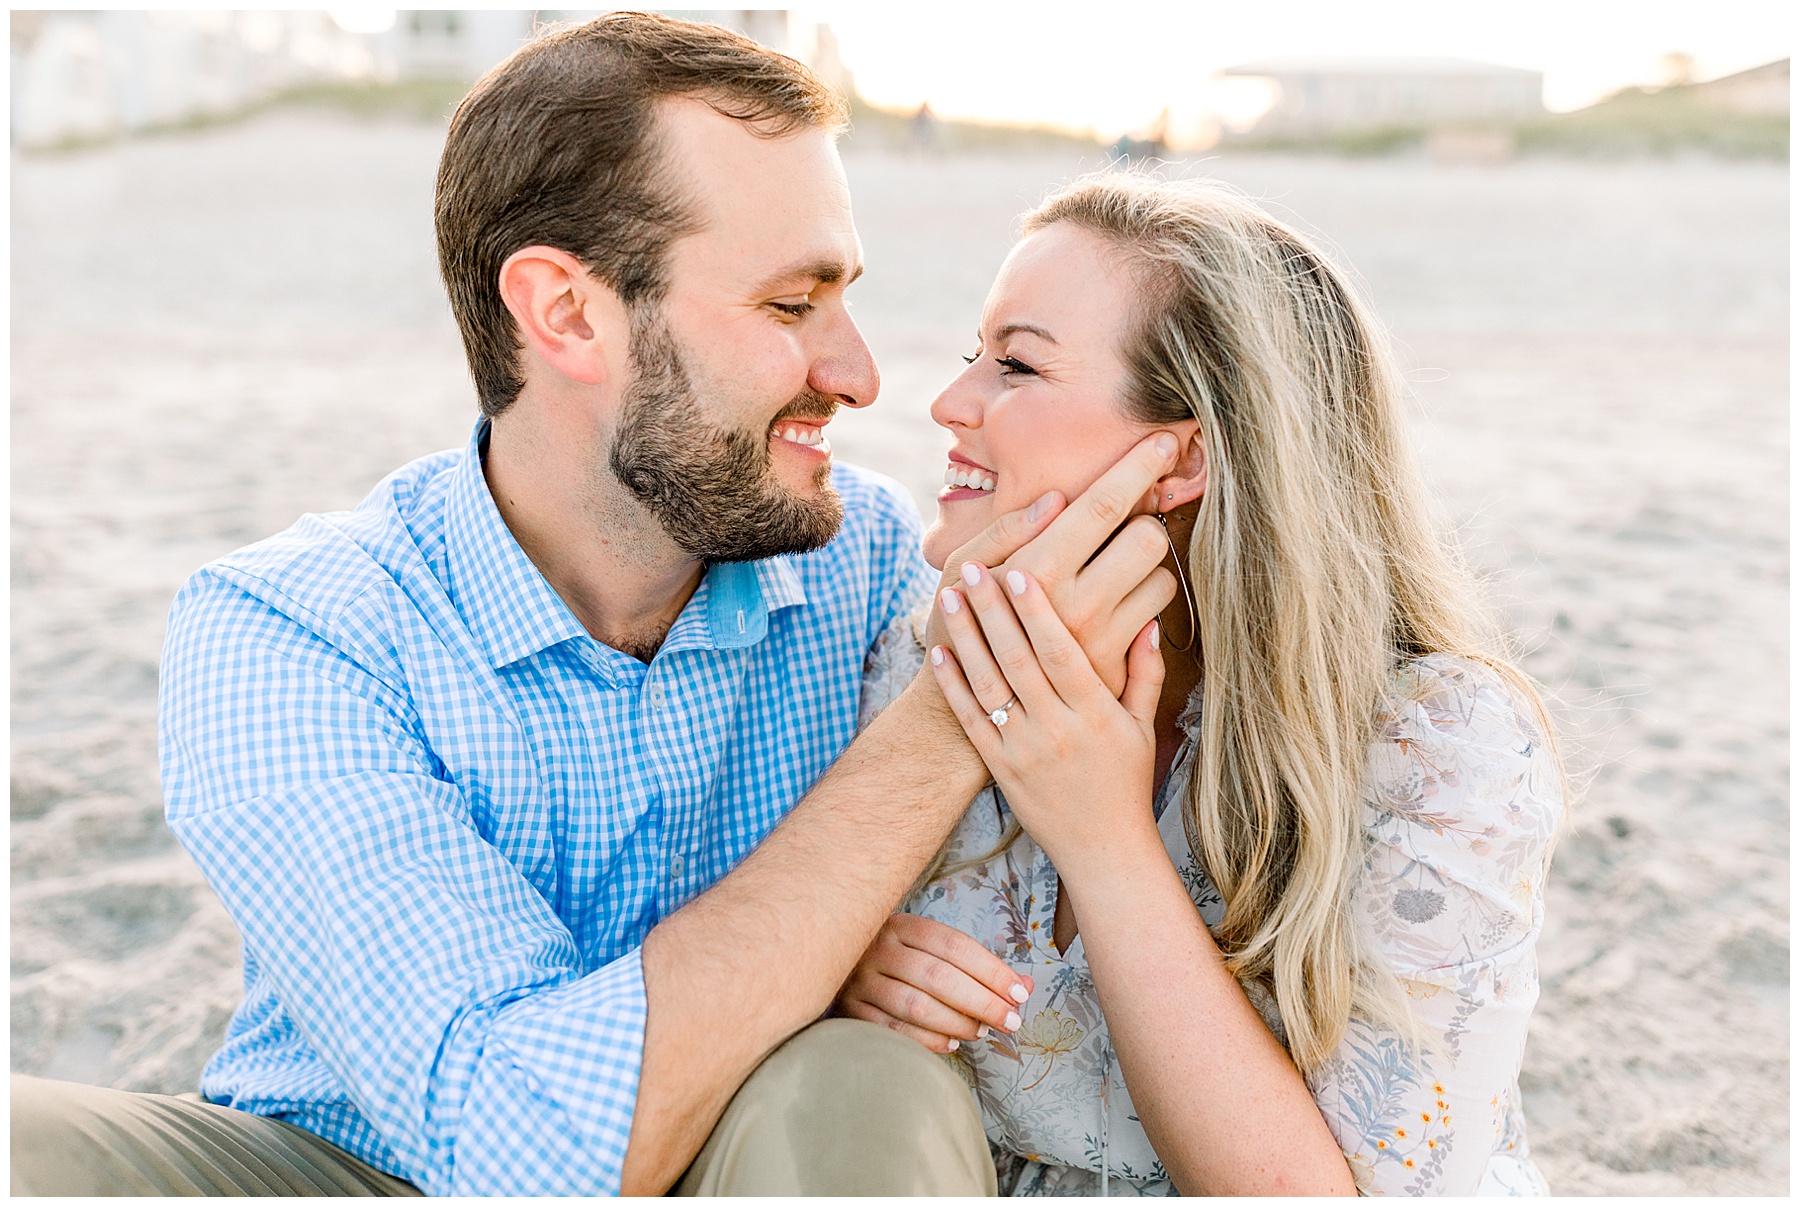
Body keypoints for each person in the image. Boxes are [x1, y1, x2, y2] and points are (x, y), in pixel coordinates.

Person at [8, 16, 1184, 1197]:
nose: (860, 375)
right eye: (791, 306)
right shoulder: (293, 630)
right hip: (343, 1165)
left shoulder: (872, 560)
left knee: (867, 1084)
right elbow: (516, 1147)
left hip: (742, 1152)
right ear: (567, 314)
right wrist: (948, 717)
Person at [836, 174, 1566, 1195]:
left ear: (1179, 459)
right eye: (974, 356)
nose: (950, 403)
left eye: (1017, 365)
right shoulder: (920, 657)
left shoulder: (1436, 748)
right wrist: (844, 979)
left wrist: (1102, 838)